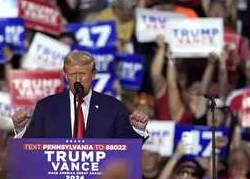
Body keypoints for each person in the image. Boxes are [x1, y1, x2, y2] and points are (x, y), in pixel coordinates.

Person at [12, 50, 149, 140]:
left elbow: (126, 150)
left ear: (93, 75)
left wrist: (138, 130)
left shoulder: (113, 107)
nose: (78, 80)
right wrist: (20, 129)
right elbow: (31, 149)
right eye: (72, 75)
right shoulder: (46, 107)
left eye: (82, 74)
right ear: (65, 76)